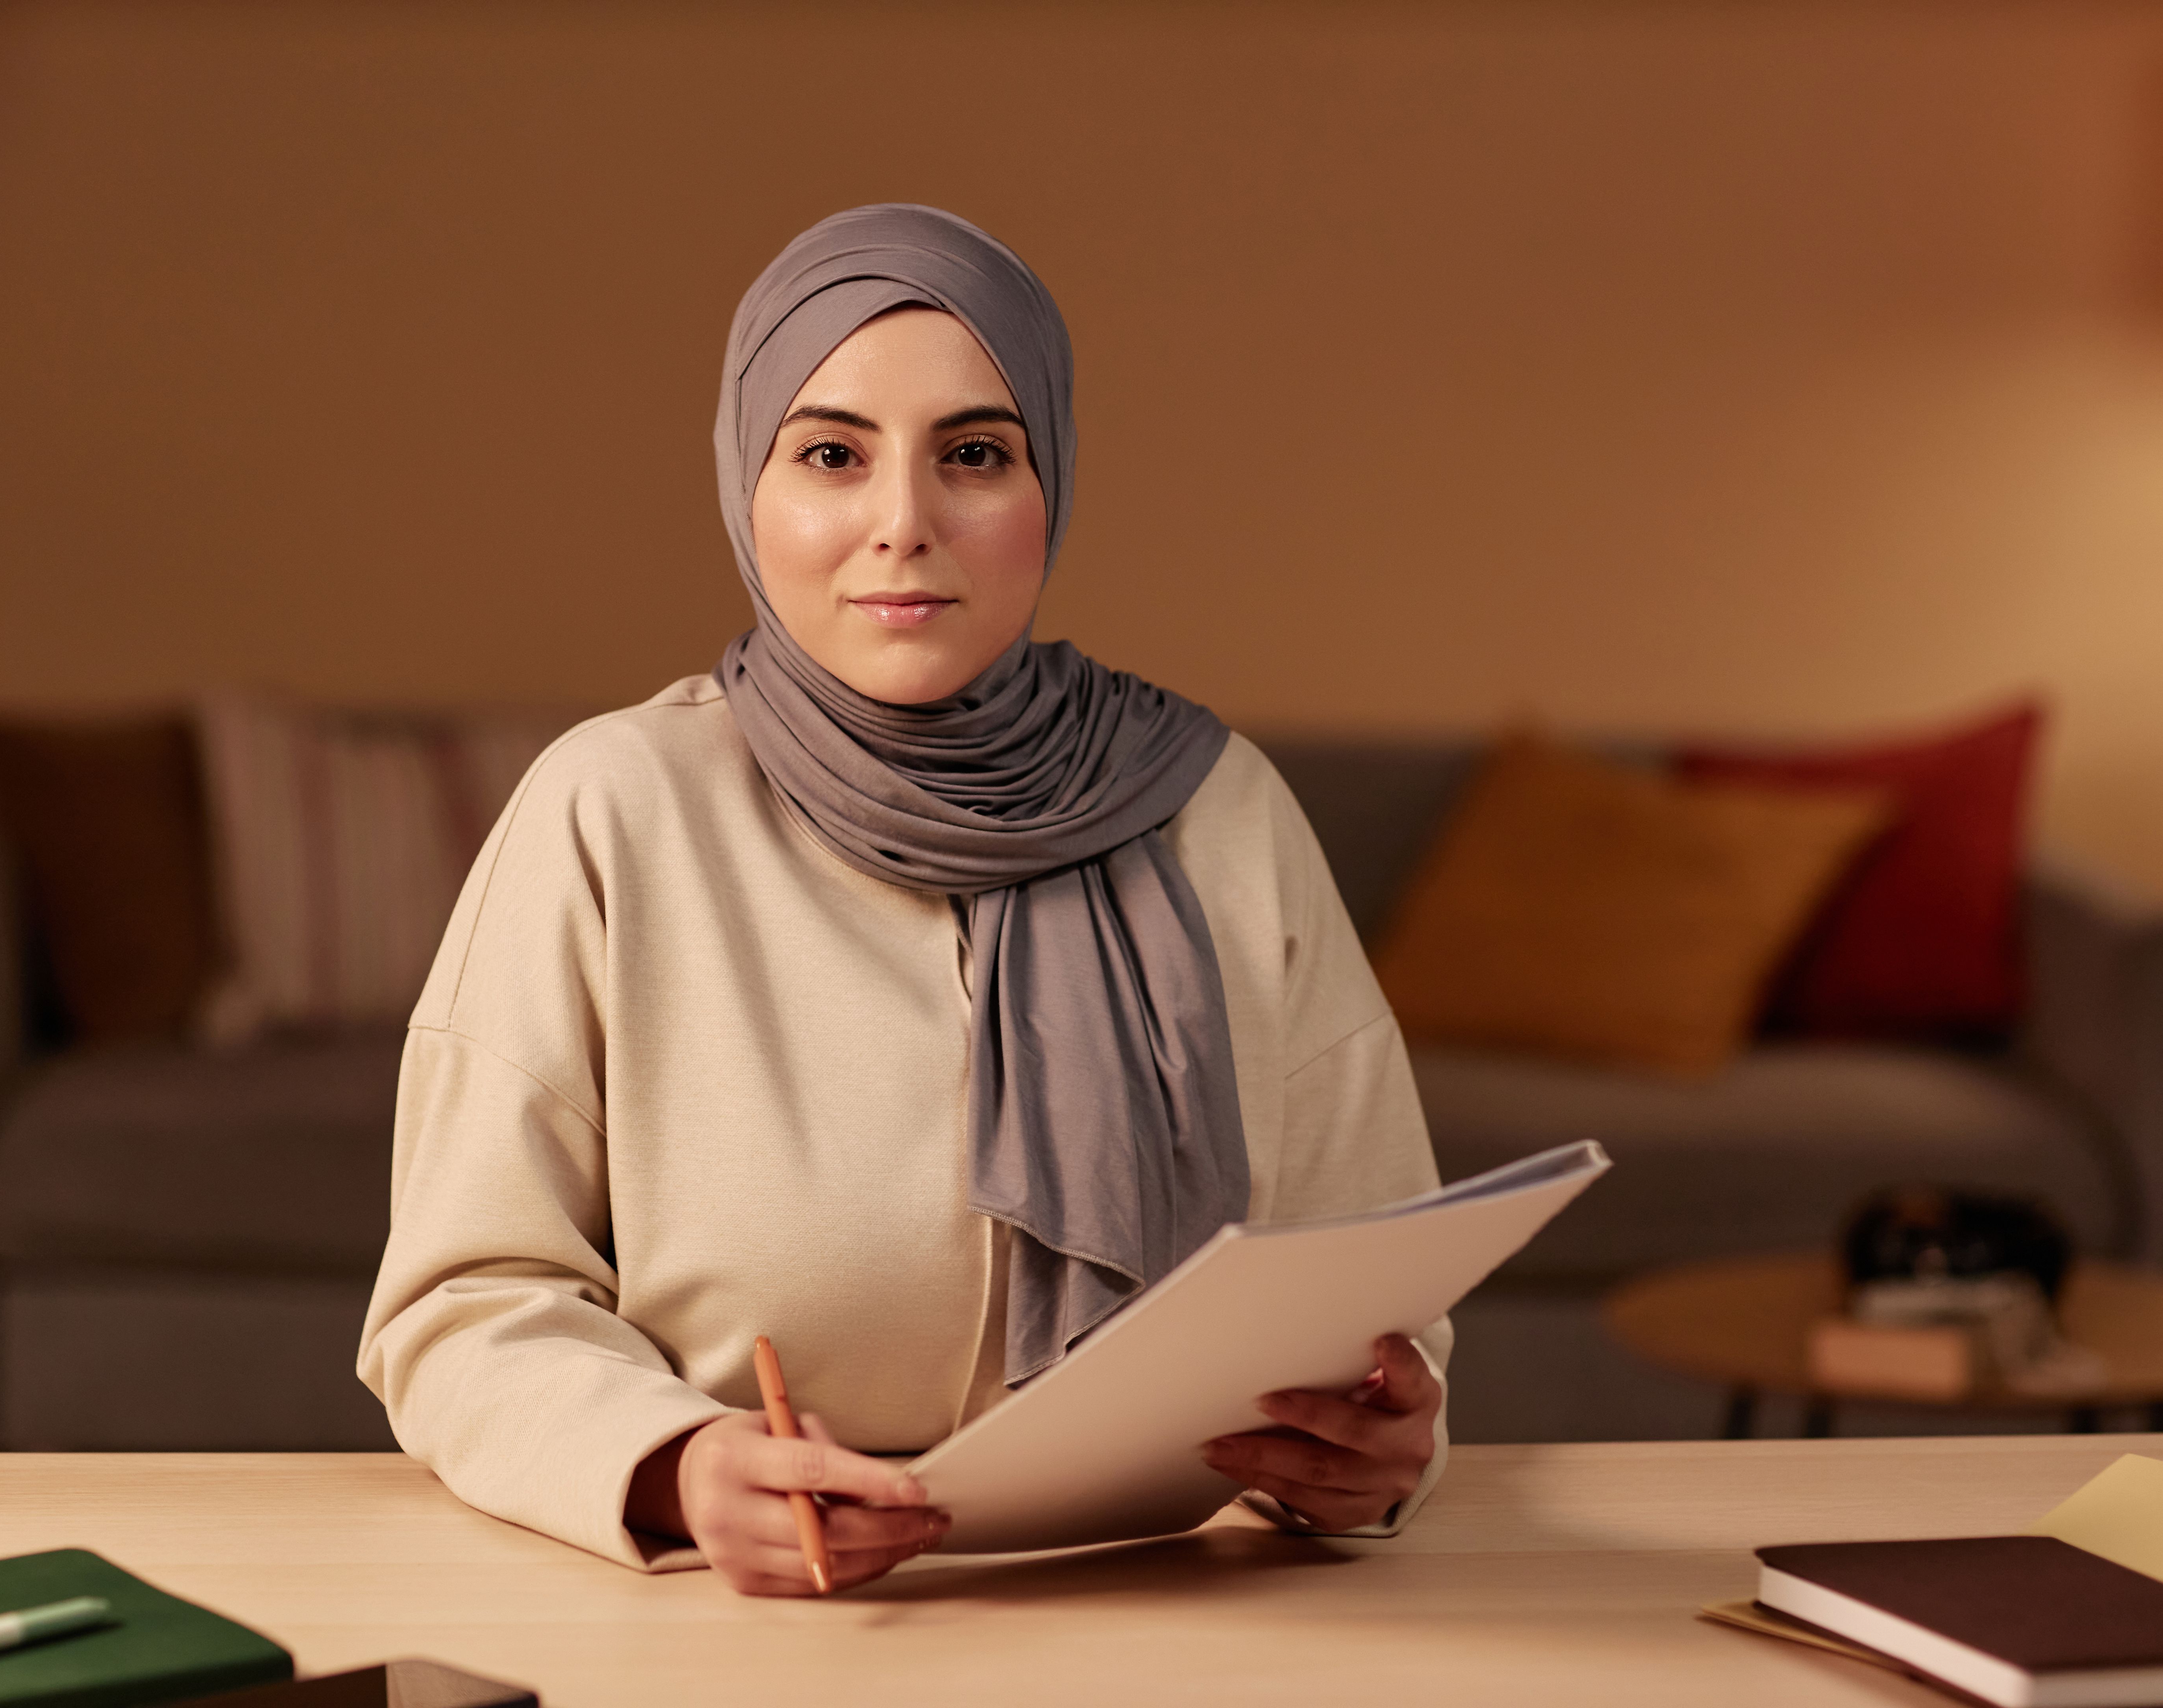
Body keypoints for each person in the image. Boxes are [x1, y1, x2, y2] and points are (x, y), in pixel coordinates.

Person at [357, 204, 1451, 1596]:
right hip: (751, 1638)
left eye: (976, 456)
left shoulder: (1219, 807)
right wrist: (672, 1470)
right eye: (830, 455)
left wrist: (1379, 1450)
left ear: (1052, 481)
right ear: (746, 488)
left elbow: (1373, 1284)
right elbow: (458, 1306)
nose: (903, 526)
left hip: (1181, 1614)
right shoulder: (617, 808)